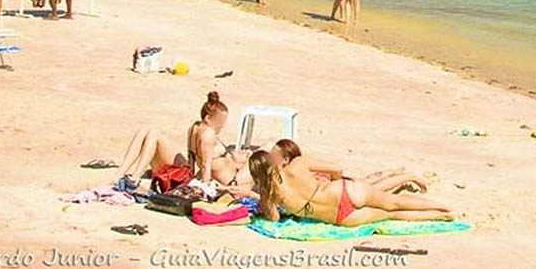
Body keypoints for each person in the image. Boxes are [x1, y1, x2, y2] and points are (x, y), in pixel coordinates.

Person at [248, 149, 453, 226]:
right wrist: (331, 183)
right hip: (343, 191)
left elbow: (273, 219)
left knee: (393, 215)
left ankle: (441, 217)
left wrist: (262, 203)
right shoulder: (297, 164)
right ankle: (443, 207)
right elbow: (337, 169)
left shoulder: (270, 198)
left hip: (339, 217)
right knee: (393, 202)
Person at [116, 92, 250, 191]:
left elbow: (193, 158)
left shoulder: (195, 127)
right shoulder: (208, 134)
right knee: (149, 132)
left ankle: (123, 174)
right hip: (185, 177)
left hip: (187, 173)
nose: (222, 125)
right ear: (208, 118)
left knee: (150, 132)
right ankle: (134, 176)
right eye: (220, 122)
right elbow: (205, 165)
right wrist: (204, 185)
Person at [265, 139, 428, 194]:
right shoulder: (290, 168)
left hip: (335, 187)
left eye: (274, 155)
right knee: (368, 180)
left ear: (285, 159)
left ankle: (408, 177)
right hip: (332, 184)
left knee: (374, 188)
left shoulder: (292, 169)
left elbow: (336, 170)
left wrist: (337, 183)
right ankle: (394, 172)